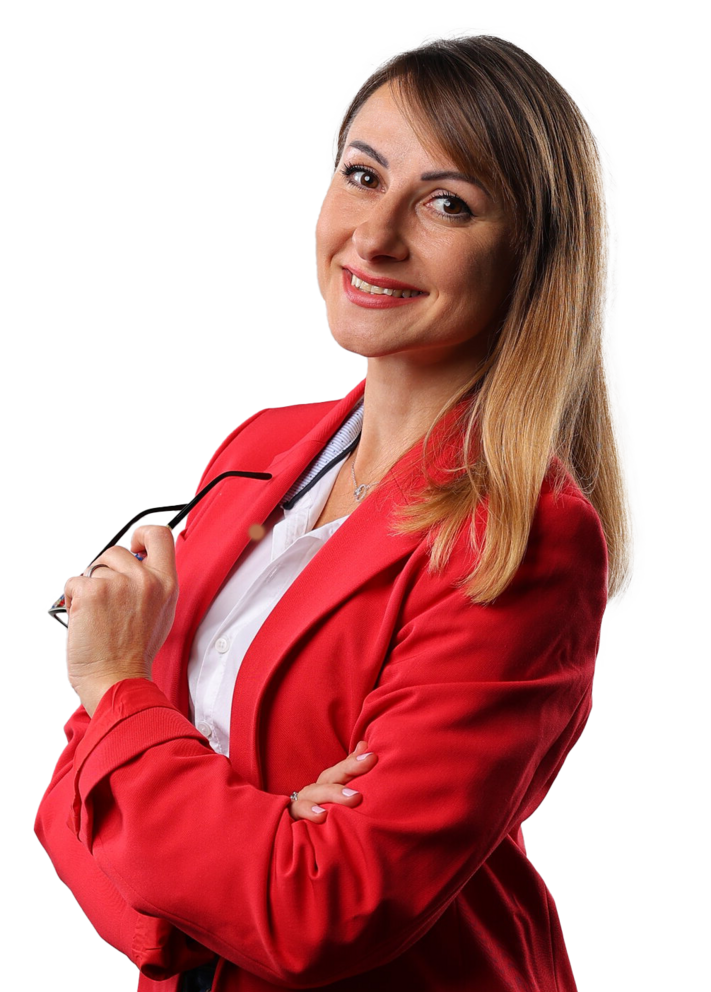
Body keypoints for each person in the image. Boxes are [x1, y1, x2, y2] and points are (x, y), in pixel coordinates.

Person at [34, 28, 637, 992]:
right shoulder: (259, 450)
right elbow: (67, 807)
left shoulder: (524, 537)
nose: (376, 236)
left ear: (532, 253)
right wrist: (235, 871)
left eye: (446, 203)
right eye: (362, 176)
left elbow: (319, 909)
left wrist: (113, 688)